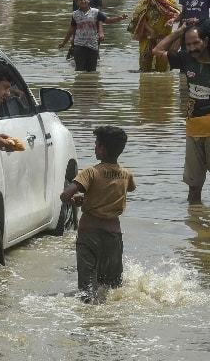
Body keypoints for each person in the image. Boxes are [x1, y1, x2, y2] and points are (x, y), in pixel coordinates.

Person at [152, 25, 210, 203]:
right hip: (193, 127)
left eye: (196, 43)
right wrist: (179, 32)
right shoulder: (186, 58)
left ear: (206, 41)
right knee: (194, 184)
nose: (193, 47)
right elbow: (157, 50)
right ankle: (195, 223)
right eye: (189, 44)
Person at [60, 126, 135, 304]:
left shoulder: (91, 172)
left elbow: (66, 194)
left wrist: (74, 200)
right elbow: (126, 190)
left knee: (87, 290)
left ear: (101, 149)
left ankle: (89, 322)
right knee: (112, 288)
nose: (94, 148)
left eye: (96, 144)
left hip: (89, 235)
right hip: (113, 236)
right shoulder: (126, 175)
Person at [59, 0, 127, 72]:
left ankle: (91, 84)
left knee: (92, 71)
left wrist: (119, 18)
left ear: (88, 0)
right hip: (79, 46)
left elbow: (107, 20)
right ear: (76, 1)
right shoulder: (75, 14)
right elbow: (71, 30)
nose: (83, 1)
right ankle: (79, 84)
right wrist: (64, 43)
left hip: (93, 46)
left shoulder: (95, 12)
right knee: (79, 70)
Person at [128, 0, 180, 72]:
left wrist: (172, 21)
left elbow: (176, 14)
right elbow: (138, 17)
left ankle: (161, 86)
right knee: (144, 66)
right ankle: (145, 86)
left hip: (164, 36)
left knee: (163, 68)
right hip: (148, 36)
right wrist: (150, 30)